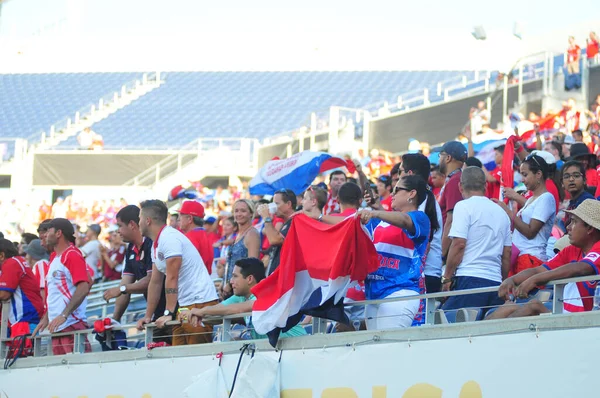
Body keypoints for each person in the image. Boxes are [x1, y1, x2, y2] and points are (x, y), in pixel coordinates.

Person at [489, 199, 600, 318]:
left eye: (573, 222)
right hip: (567, 314)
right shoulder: (572, 250)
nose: (568, 227)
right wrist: (512, 280)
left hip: (588, 321)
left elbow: (580, 268)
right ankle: (481, 336)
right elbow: (539, 270)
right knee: (507, 308)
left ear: (589, 228)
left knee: (534, 306)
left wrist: (534, 280)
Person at [358, 175, 440, 329]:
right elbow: (353, 224)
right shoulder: (381, 221)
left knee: (389, 348)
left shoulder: (421, 218)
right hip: (373, 293)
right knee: (375, 348)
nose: (392, 194)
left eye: (397, 190)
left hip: (399, 293)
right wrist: (319, 217)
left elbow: (404, 220)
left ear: (412, 194)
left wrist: (376, 212)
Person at [136, 200, 218, 346]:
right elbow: (155, 281)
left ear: (147, 221)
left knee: (196, 356)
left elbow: (172, 277)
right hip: (185, 305)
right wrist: (148, 316)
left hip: (199, 302)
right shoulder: (157, 243)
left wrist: (168, 313)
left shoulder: (169, 238)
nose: (138, 222)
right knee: (178, 355)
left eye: (140, 218)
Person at [178, 257, 306, 340]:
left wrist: (201, 311)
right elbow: (220, 308)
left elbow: (239, 309)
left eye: (235, 276)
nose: (231, 281)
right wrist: (192, 312)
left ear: (249, 279)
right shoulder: (239, 297)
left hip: (299, 346)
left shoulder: (268, 292)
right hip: (277, 350)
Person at [441, 167, 512, 314]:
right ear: (485, 186)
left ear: (460, 186)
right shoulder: (501, 212)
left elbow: (459, 244)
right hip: (495, 282)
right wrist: (503, 282)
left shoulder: (463, 206)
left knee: (444, 323)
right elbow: (507, 254)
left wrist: (447, 277)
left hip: (470, 278)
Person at [103, 205, 169, 342]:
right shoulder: (131, 248)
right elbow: (125, 284)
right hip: (156, 316)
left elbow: (152, 280)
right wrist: (114, 320)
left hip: (172, 312)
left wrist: (122, 289)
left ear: (132, 225)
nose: (118, 231)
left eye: (120, 226)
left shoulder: (152, 242)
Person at [33, 218, 92, 355]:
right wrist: (46, 317)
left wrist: (65, 314)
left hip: (71, 324)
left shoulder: (71, 254)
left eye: (49, 231)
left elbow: (84, 285)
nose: (46, 235)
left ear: (59, 233)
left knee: (77, 371)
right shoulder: (55, 257)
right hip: (58, 326)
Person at [496, 155, 556, 275]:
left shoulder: (547, 198)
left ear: (538, 174)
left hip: (531, 259)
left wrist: (508, 212)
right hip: (520, 257)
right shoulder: (531, 199)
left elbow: (530, 232)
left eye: (525, 174)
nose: (522, 179)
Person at [396, 153, 444, 293]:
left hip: (423, 273)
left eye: (400, 171)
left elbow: (425, 242)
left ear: (409, 173)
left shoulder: (424, 200)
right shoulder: (422, 197)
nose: (398, 177)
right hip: (419, 272)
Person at [0, 239, 44, 345]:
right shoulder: (17, 261)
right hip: (24, 321)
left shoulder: (11, 263)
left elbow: (4, 294)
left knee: (24, 359)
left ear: (1, 255)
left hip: (25, 321)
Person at [438, 141, 468, 260]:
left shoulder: (455, 181)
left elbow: (452, 220)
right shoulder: (454, 179)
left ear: (448, 158)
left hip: (449, 249)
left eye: (440, 155)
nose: (438, 159)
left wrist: (441, 254)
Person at [257, 189, 297, 275]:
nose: (274, 206)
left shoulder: (295, 221)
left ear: (288, 204)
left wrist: (266, 218)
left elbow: (274, 240)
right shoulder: (286, 222)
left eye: (277, 203)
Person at [223, 200, 260, 288]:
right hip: (231, 286)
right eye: (236, 211)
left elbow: (252, 266)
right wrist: (224, 283)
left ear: (251, 214)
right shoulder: (239, 234)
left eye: (243, 211)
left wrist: (230, 283)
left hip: (241, 288)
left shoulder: (252, 234)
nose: (239, 214)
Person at [177, 200, 214, 273]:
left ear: (190, 219)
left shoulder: (189, 237)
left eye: (181, 215)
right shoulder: (204, 234)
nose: (178, 219)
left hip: (191, 282)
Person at [562, 160, 596, 227]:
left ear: (584, 180)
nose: (571, 179)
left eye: (576, 176)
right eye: (566, 176)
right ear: (562, 183)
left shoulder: (587, 202)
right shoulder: (573, 202)